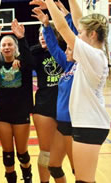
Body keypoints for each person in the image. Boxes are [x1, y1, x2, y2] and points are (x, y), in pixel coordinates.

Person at [37, 0, 111, 182]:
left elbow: (63, 28)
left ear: (92, 35)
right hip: (83, 124)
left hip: (90, 125)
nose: (77, 35)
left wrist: (48, 2)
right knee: (70, 173)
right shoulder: (86, 58)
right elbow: (78, 21)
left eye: (80, 33)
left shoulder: (94, 56)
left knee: (83, 180)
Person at [31, 1, 79, 182]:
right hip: (62, 122)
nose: (66, 50)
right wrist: (45, 25)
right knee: (53, 165)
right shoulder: (67, 65)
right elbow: (53, 47)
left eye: (70, 47)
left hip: (77, 123)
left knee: (78, 168)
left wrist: (66, 14)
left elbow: (73, 35)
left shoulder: (83, 65)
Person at [0, 19, 34, 183]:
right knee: (8, 153)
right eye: (4, 45)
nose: (7, 47)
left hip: (21, 113)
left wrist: (22, 38)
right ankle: (11, 179)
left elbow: (30, 61)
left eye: (10, 44)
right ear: (1, 49)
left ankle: (27, 177)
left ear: (15, 47)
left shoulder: (23, 64)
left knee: (22, 153)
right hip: (3, 115)